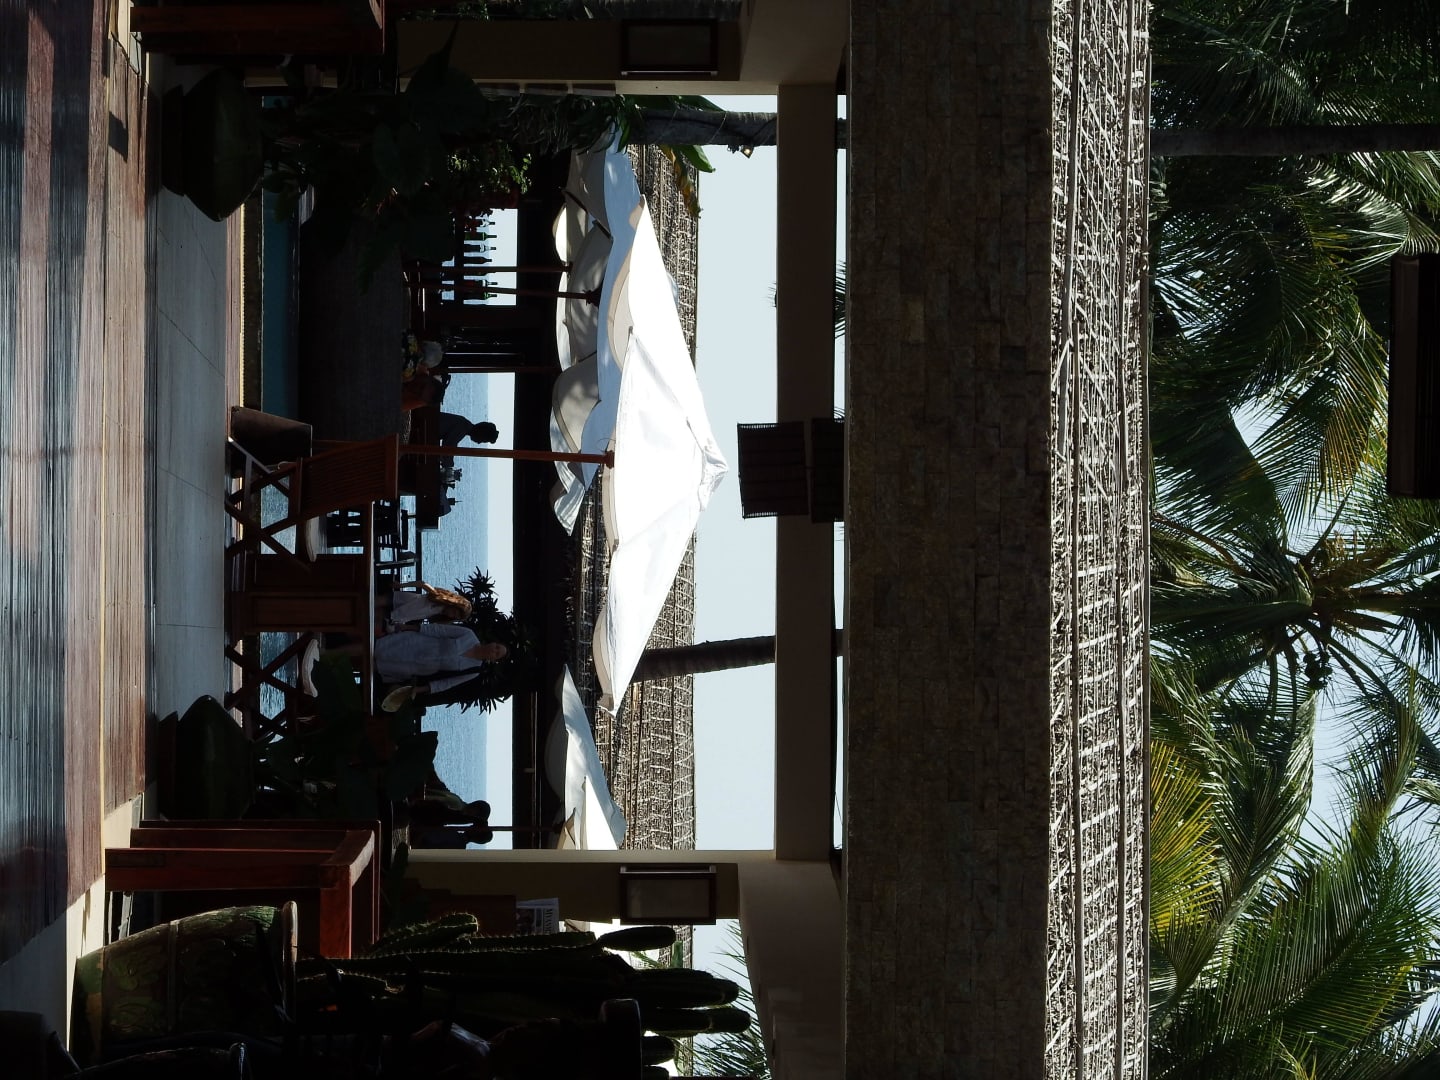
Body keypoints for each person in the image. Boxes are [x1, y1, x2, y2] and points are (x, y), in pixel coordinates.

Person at [372, 623, 508, 709]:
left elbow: (447, 683)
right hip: (416, 643)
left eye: (497, 654)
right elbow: (439, 630)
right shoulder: (469, 635)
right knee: (375, 648)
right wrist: (407, 627)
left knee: (377, 667)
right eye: (497, 647)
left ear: (493, 660)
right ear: (493, 642)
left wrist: (417, 690)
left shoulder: (474, 671)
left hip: (418, 667)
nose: (494, 650)